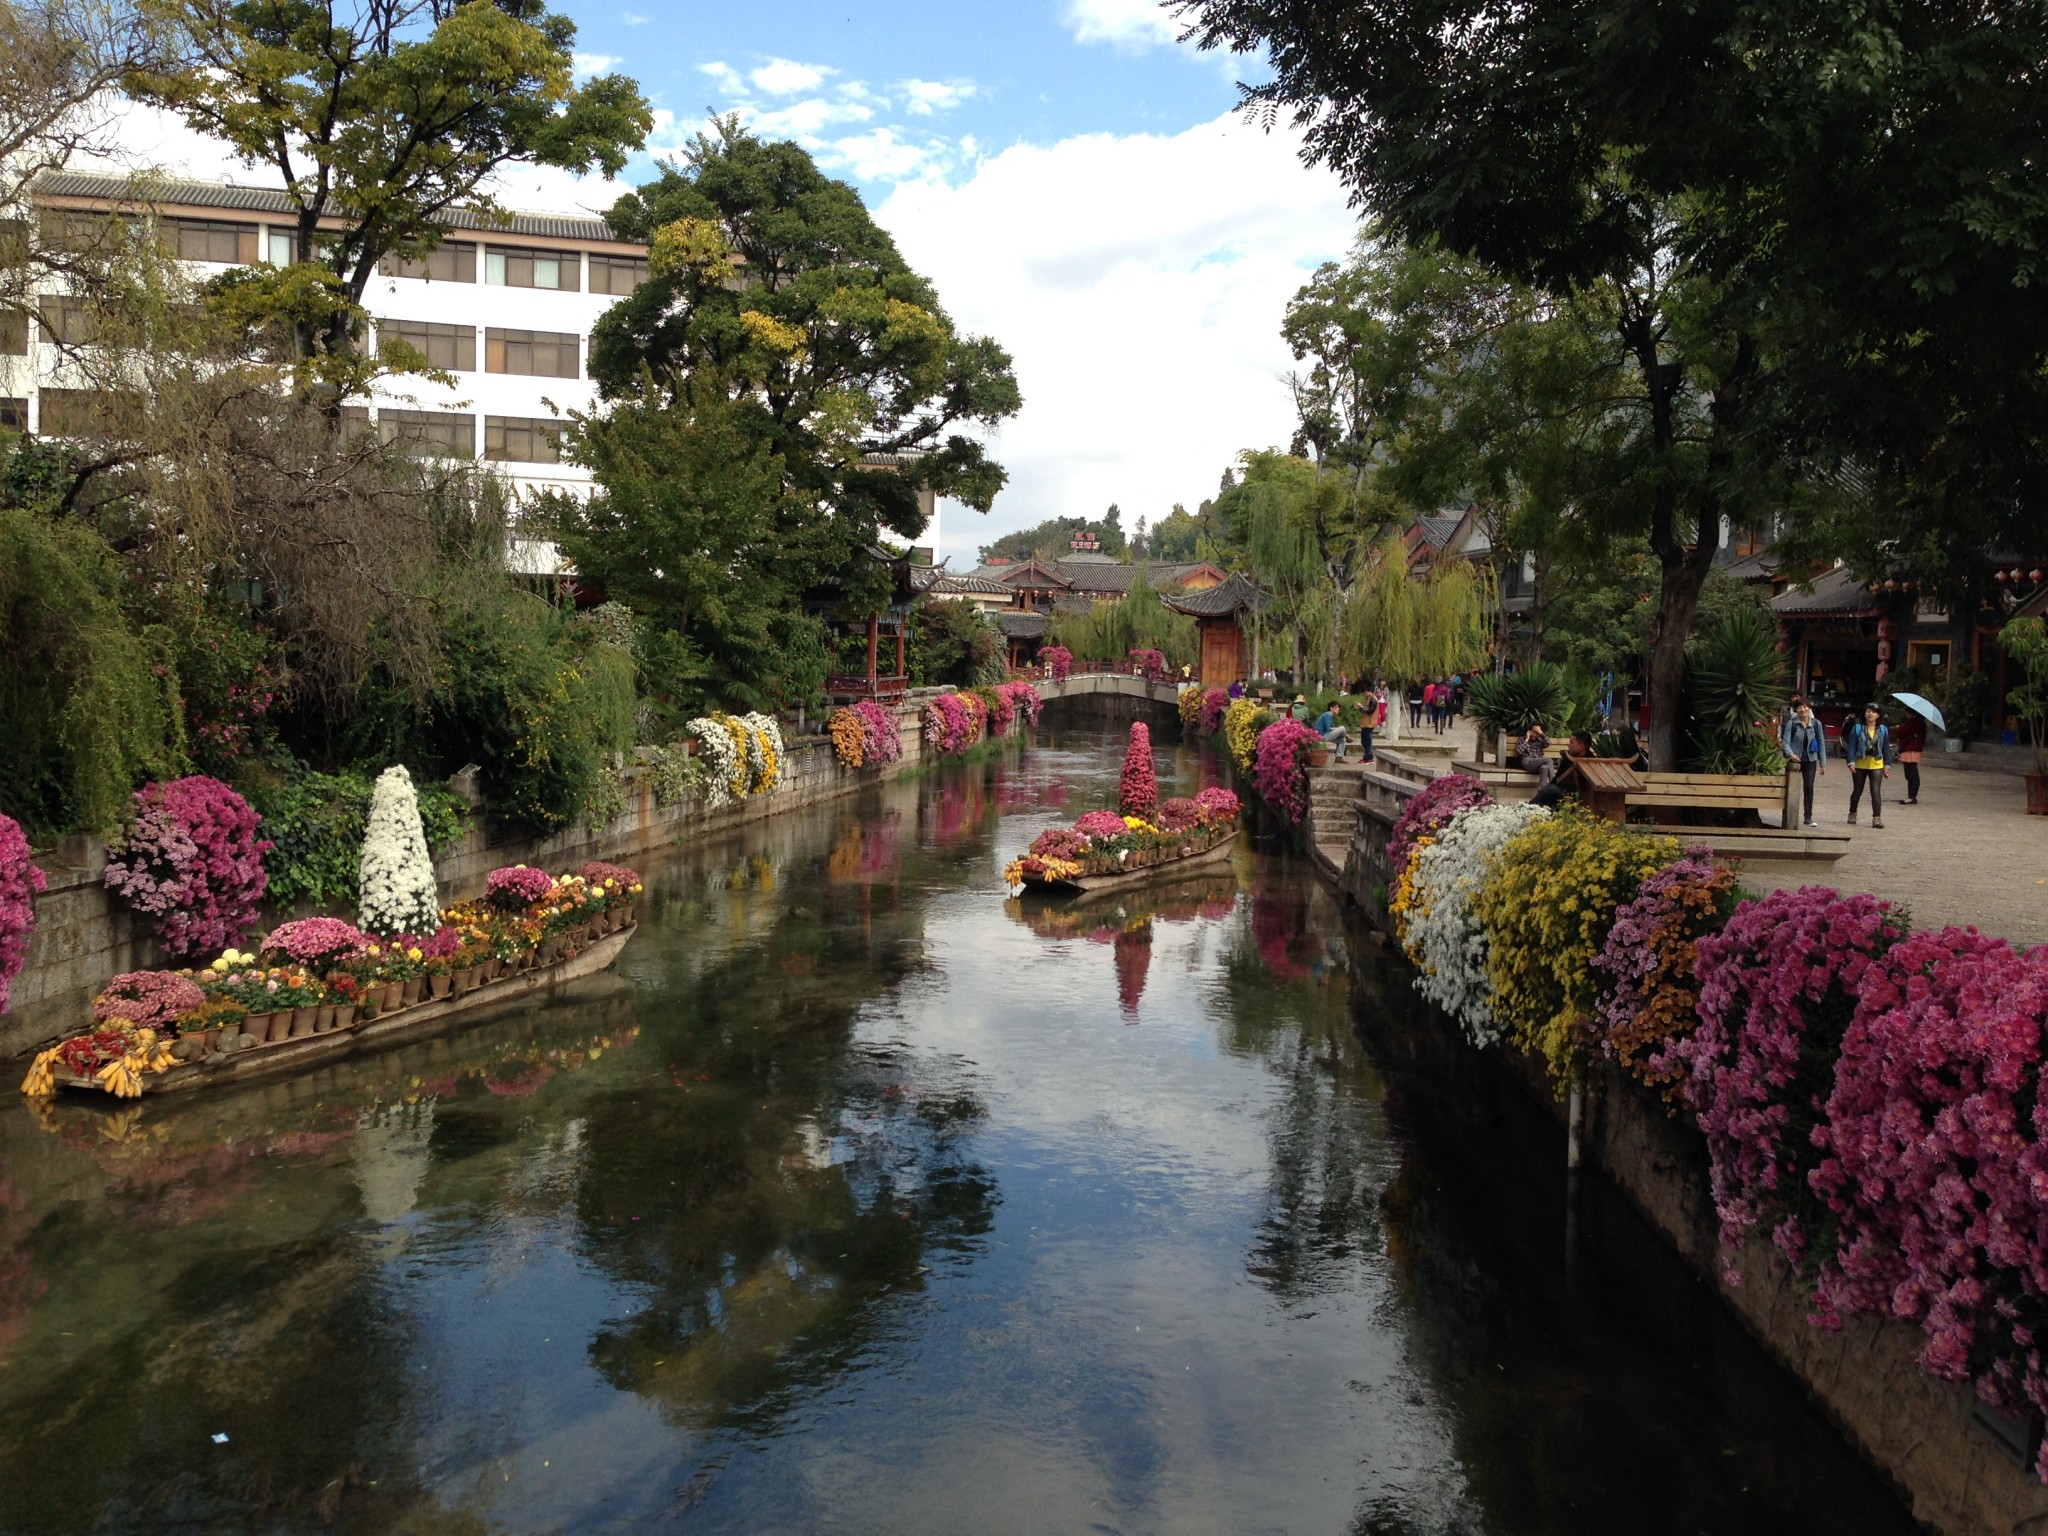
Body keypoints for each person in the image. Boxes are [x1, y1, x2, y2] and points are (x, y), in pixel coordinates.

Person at [1843, 702, 1890, 828]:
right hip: (1860, 763)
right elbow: (1851, 746)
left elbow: (1885, 748)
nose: (1870, 714)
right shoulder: (1857, 728)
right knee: (1857, 790)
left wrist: (1887, 765)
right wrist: (1851, 762)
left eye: (1873, 712)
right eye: (1868, 711)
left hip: (1876, 763)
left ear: (1878, 715)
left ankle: (1876, 818)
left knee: (1875, 791)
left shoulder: (1883, 729)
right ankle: (1852, 813)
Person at [1781, 698, 1826, 828]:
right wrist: (1791, 754)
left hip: (1810, 759)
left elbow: (1821, 743)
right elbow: (1786, 742)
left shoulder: (1816, 724)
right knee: (1791, 788)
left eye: (1805, 707)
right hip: (1795, 760)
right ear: (1796, 710)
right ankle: (1789, 815)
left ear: (1809, 708)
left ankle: (1808, 817)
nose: (1803, 709)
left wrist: (1823, 763)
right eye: (1799, 707)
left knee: (1809, 788)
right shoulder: (1792, 723)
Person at [1529, 730, 1593, 809]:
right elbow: (1556, 780)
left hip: (1579, 797)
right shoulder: (1567, 759)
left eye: (1571, 743)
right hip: (1562, 793)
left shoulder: (1592, 762)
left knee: (1550, 790)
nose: (1569, 745)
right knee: (1549, 790)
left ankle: (1529, 808)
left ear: (1581, 747)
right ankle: (1531, 808)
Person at [1895, 709, 1926, 804]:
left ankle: (1912, 796)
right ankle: (1911, 796)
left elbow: (1901, 732)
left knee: (1911, 774)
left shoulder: (1914, 723)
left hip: (1910, 750)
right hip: (1912, 749)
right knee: (1910, 774)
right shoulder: (1920, 722)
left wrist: (1899, 727)